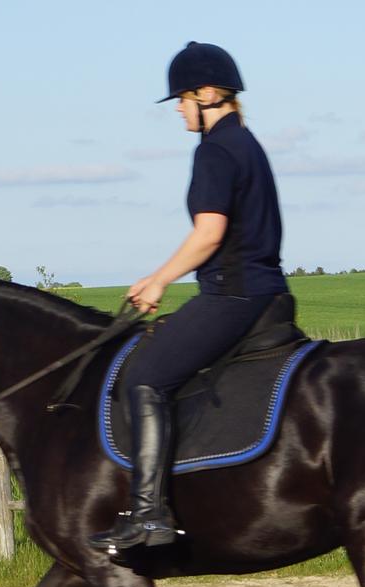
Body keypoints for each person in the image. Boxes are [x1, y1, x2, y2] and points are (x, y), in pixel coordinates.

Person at [89, 41, 289, 553]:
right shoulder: (247, 143)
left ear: (207, 94)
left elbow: (209, 234)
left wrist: (158, 280)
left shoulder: (215, 151)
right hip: (267, 294)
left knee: (145, 376)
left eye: (181, 98)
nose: (178, 108)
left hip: (234, 297)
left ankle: (149, 513)